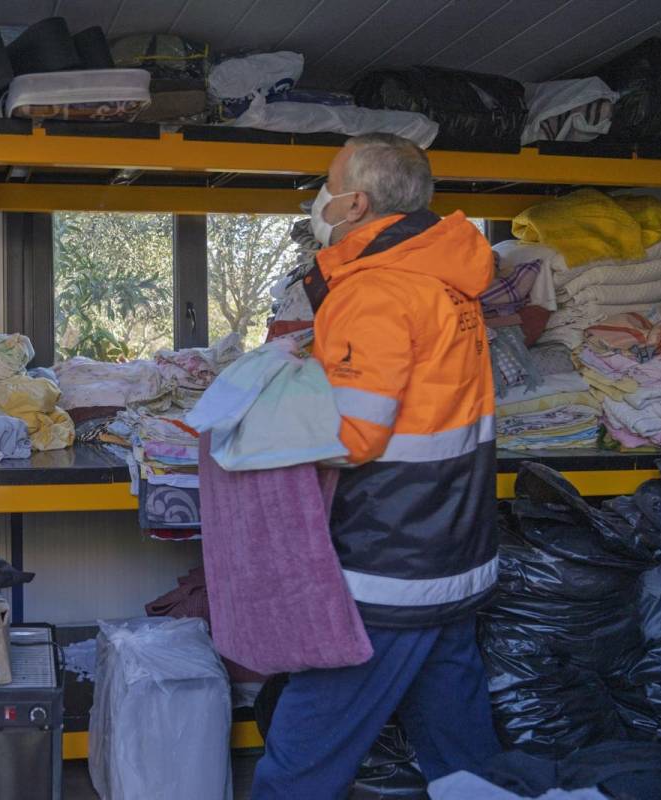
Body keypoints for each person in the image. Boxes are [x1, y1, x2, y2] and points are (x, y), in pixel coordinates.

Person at [252, 133, 502, 798]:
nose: (319, 195)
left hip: (387, 569)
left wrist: (264, 416)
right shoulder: (447, 284)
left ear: (354, 202)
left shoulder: (375, 290)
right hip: (455, 553)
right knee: (462, 754)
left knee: (299, 760)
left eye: (328, 182)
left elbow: (353, 437)